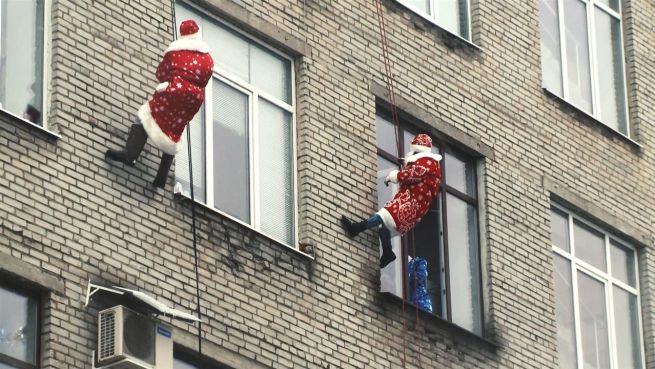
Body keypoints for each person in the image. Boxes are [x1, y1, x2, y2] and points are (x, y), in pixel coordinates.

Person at [106, 19, 214, 188]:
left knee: (146, 115)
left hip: (174, 92)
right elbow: (206, 79)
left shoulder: (174, 52)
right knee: (174, 132)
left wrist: (170, 80)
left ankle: (130, 155)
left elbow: (161, 73)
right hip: (192, 100)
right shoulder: (208, 59)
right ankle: (161, 177)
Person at [341, 133, 442, 268]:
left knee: (385, 214)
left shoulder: (427, 162)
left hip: (411, 202)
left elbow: (414, 174)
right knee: (386, 227)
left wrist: (395, 175)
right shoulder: (427, 163)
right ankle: (388, 252)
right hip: (414, 203)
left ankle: (357, 228)